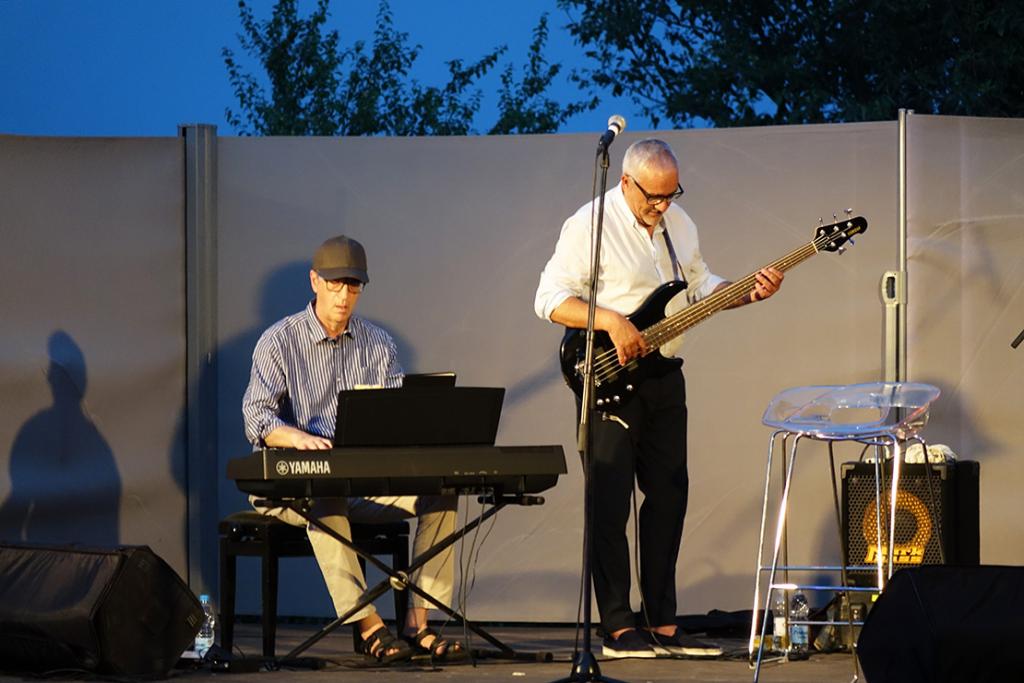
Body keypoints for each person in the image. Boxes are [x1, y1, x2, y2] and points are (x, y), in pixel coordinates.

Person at [534, 139, 783, 659]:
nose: (663, 205)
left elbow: (699, 287)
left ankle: (662, 622)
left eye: (672, 195)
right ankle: (617, 625)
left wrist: (746, 292)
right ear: (626, 182)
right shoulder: (589, 224)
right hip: (608, 374)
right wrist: (611, 321)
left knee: (670, 494)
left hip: (664, 372)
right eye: (654, 197)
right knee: (609, 501)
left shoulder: (679, 223)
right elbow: (549, 298)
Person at [242, 235, 461, 663]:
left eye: (353, 286)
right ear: (315, 281)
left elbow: (398, 414)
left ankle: (418, 622)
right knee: (325, 499)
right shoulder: (279, 341)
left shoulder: (378, 343)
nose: (344, 296)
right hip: (294, 488)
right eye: (335, 284)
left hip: (360, 482)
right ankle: (369, 626)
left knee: (442, 495)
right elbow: (257, 417)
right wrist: (297, 437)